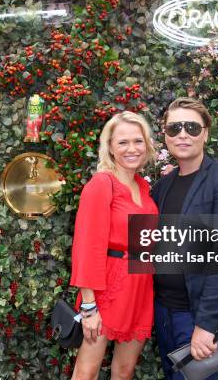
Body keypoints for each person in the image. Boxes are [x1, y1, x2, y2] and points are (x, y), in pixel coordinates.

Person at [150, 98, 218, 380]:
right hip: (166, 311)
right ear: (165, 135)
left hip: (201, 317)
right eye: (175, 128)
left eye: (192, 127)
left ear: (206, 133)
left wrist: (206, 325)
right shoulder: (164, 186)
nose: (183, 134)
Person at [70, 111, 158, 380]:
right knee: (88, 370)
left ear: (147, 144)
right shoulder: (102, 184)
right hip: (107, 287)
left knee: (125, 370)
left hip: (141, 286)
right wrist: (89, 306)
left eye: (138, 141)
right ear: (109, 147)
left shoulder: (143, 187)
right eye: (123, 142)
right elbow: (86, 247)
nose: (132, 149)